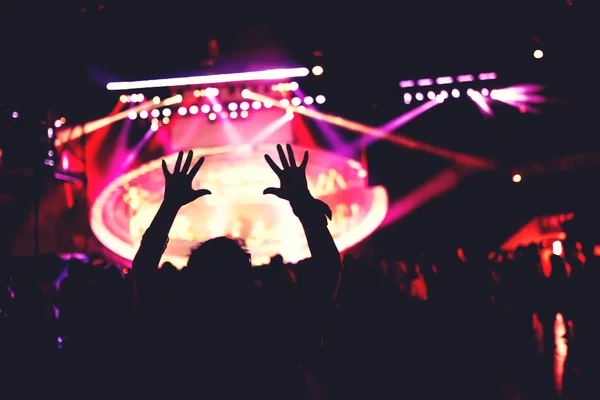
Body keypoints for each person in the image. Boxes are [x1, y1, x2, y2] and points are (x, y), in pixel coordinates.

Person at [129, 144, 342, 398]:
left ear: (192, 277)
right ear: (247, 275)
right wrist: (303, 205)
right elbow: (328, 271)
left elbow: (142, 272)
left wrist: (170, 206)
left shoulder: (177, 326)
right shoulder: (275, 325)